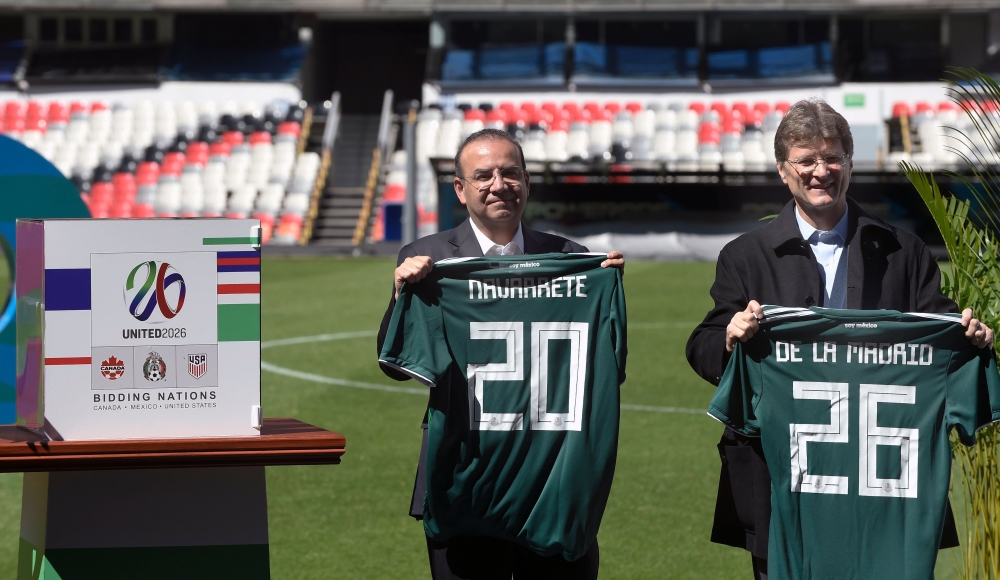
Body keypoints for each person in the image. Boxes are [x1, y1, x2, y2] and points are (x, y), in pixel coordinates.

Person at [685, 99, 994, 580]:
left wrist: (972, 337)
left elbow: (944, 334)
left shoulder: (903, 250)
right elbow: (701, 347)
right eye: (805, 160)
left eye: (832, 158)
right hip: (781, 480)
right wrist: (729, 339)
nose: (820, 171)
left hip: (885, 477)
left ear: (850, 163)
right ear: (783, 171)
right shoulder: (746, 256)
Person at [376, 127, 624, 579]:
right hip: (467, 472)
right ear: (460, 187)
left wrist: (603, 287)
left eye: (510, 174)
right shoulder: (427, 259)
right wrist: (401, 295)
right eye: (483, 175)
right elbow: (395, 365)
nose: (498, 185)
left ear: (526, 181)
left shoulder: (572, 257)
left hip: (552, 473)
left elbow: (603, 367)